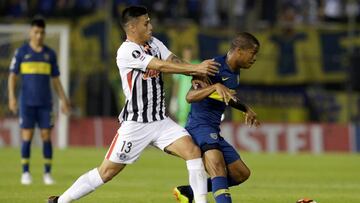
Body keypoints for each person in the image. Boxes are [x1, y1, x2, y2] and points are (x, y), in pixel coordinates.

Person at [48, 5, 219, 203]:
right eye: (146, 23)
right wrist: (197, 67)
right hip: (136, 124)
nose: (151, 26)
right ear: (132, 28)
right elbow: (161, 65)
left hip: (160, 121)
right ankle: (60, 201)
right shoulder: (127, 51)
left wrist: (193, 71)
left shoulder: (154, 43)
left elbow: (172, 59)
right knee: (106, 172)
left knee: (192, 151)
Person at [173, 32, 260, 203]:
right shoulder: (211, 67)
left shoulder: (235, 72)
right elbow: (190, 96)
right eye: (253, 53)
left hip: (213, 129)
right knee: (218, 169)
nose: (255, 58)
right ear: (240, 51)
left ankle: (189, 191)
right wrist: (215, 87)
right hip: (199, 127)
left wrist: (245, 108)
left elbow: (225, 96)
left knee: (241, 174)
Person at [8, 17, 71, 185]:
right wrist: (12, 98)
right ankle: (25, 172)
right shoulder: (21, 52)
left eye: (42, 32)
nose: (39, 35)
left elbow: (56, 80)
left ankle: (47, 173)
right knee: (27, 136)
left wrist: (64, 100)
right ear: (30, 32)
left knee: (46, 136)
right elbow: (12, 77)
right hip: (26, 102)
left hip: (45, 103)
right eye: (36, 32)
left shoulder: (49, 54)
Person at [170, 45, 200, 126]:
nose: (187, 55)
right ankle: (183, 133)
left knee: (195, 115)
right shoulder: (179, 66)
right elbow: (176, 83)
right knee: (182, 117)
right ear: (183, 54)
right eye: (186, 53)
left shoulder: (197, 64)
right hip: (182, 96)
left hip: (195, 95)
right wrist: (174, 98)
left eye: (189, 53)